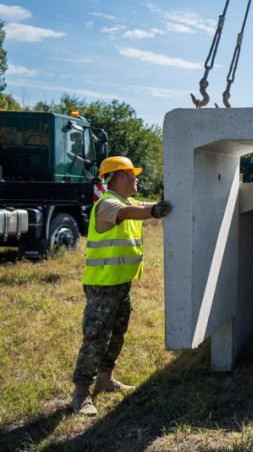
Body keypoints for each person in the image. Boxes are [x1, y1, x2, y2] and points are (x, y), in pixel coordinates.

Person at [70, 156, 172, 416]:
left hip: (120, 285)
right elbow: (128, 213)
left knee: (117, 334)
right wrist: (155, 211)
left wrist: (165, 205)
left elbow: (144, 206)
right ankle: (81, 393)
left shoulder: (127, 201)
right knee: (95, 338)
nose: (137, 178)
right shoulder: (107, 204)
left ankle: (105, 379)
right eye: (132, 173)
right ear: (120, 175)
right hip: (102, 286)